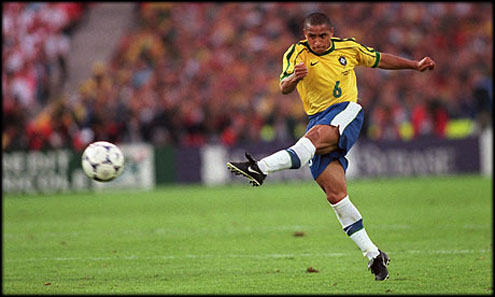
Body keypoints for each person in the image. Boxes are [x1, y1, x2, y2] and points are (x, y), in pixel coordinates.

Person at [227, 12, 435, 281]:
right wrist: (294, 78)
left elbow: (380, 59)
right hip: (317, 120)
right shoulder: (296, 53)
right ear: (305, 35)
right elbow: (283, 86)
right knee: (336, 196)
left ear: (331, 33)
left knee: (310, 142)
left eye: (322, 36)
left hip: (346, 111)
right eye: (311, 36)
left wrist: (415, 65)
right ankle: (374, 255)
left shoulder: (349, 47)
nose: (317, 41)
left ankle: (260, 168)